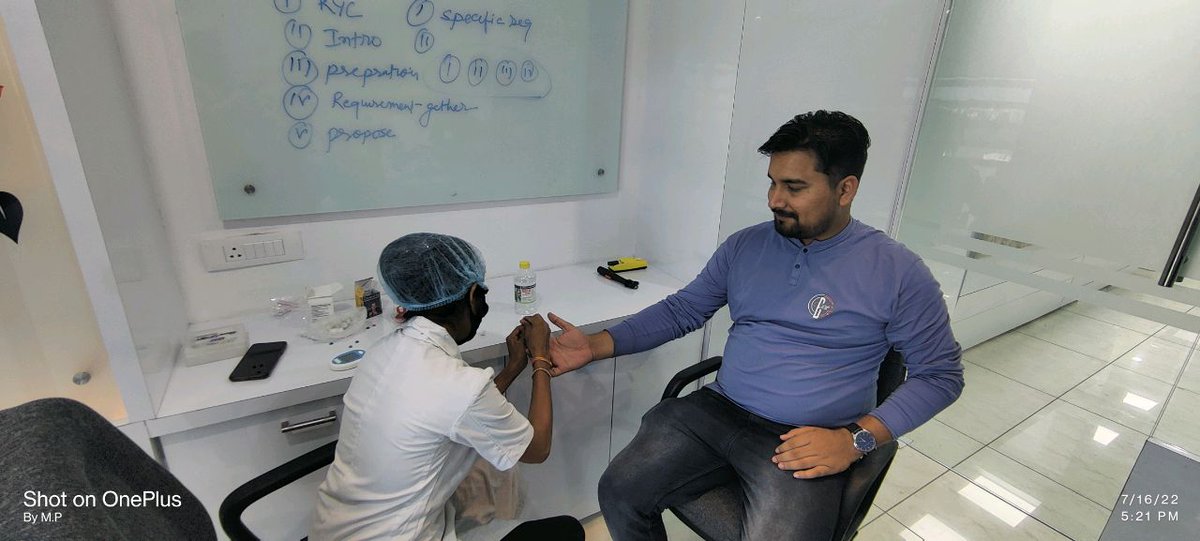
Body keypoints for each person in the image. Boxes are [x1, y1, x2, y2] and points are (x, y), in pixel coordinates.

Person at [546, 111, 965, 540]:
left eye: (794, 187)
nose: (774, 199)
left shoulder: (897, 273)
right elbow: (683, 309)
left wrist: (855, 439)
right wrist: (595, 345)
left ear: (845, 189)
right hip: (717, 410)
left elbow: (941, 376)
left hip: (806, 438)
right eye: (773, 181)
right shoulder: (746, 247)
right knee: (619, 490)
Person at [311, 233, 584, 541]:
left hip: (333, 530)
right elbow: (536, 449)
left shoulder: (382, 353)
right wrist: (540, 358)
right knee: (566, 532)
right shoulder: (458, 385)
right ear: (471, 296)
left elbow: (461, 409)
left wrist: (512, 367)